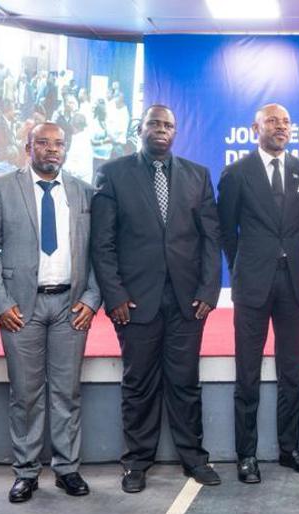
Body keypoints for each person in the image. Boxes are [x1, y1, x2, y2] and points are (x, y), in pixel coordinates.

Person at [90, 105, 223, 492]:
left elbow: (211, 239)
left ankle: (194, 458)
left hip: (187, 301)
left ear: (176, 132)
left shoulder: (198, 175)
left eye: (168, 125)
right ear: (141, 128)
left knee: (185, 383)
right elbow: (103, 243)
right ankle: (136, 463)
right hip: (134, 302)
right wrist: (114, 296)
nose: (162, 129)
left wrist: (208, 291)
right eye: (154, 123)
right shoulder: (113, 173)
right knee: (138, 384)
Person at [0, 122, 102, 502]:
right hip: (21, 308)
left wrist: (92, 298)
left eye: (58, 143)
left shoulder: (84, 192)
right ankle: (27, 473)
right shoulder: (2, 188)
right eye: (44, 143)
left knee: (67, 393)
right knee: (25, 394)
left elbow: (99, 251)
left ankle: (67, 469)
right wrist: (1, 304)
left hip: (71, 306)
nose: (52, 149)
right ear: (28, 147)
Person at [217, 104, 299, 484]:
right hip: (252, 283)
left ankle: (289, 449)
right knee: (247, 373)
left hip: (294, 282)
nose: (281, 127)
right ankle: (247, 455)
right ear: (255, 127)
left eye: (286, 122)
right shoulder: (236, 172)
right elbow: (227, 232)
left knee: (292, 371)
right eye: (273, 121)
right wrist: (243, 266)